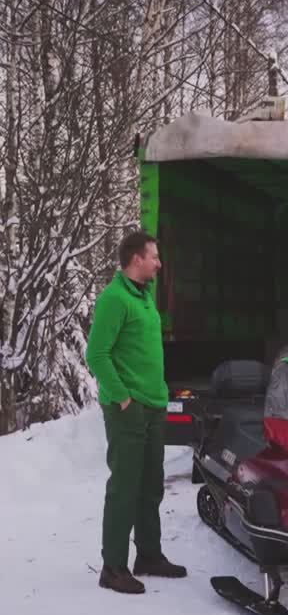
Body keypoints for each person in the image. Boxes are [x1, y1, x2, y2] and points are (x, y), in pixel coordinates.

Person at [86, 231, 187, 594]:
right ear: (135, 259)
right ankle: (112, 568)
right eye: (154, 257)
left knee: (150, 486)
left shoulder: (144, 297)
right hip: (128, 408)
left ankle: (149, 556)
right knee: (125, 487)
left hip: (153, 404)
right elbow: (96, 354)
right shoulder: (114, 299)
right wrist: (121, 397)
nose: (159, 263)